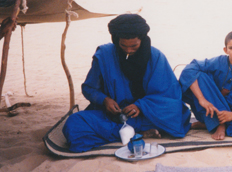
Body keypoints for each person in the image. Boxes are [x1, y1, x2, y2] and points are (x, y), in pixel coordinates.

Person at [62, 14, 191, 152]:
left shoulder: (156, 57)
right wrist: (105, 100)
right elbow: (89, 88)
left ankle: (126, 133)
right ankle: (136, 134)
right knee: (73, 123)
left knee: (178, 114)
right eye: (123, 45)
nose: (128, 51)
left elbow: (169, 94)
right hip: (113, 116)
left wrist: (140, 106)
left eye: (134, 46)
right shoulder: (104, 55)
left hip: (147, 115)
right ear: (116, 40)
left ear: (142, 40)